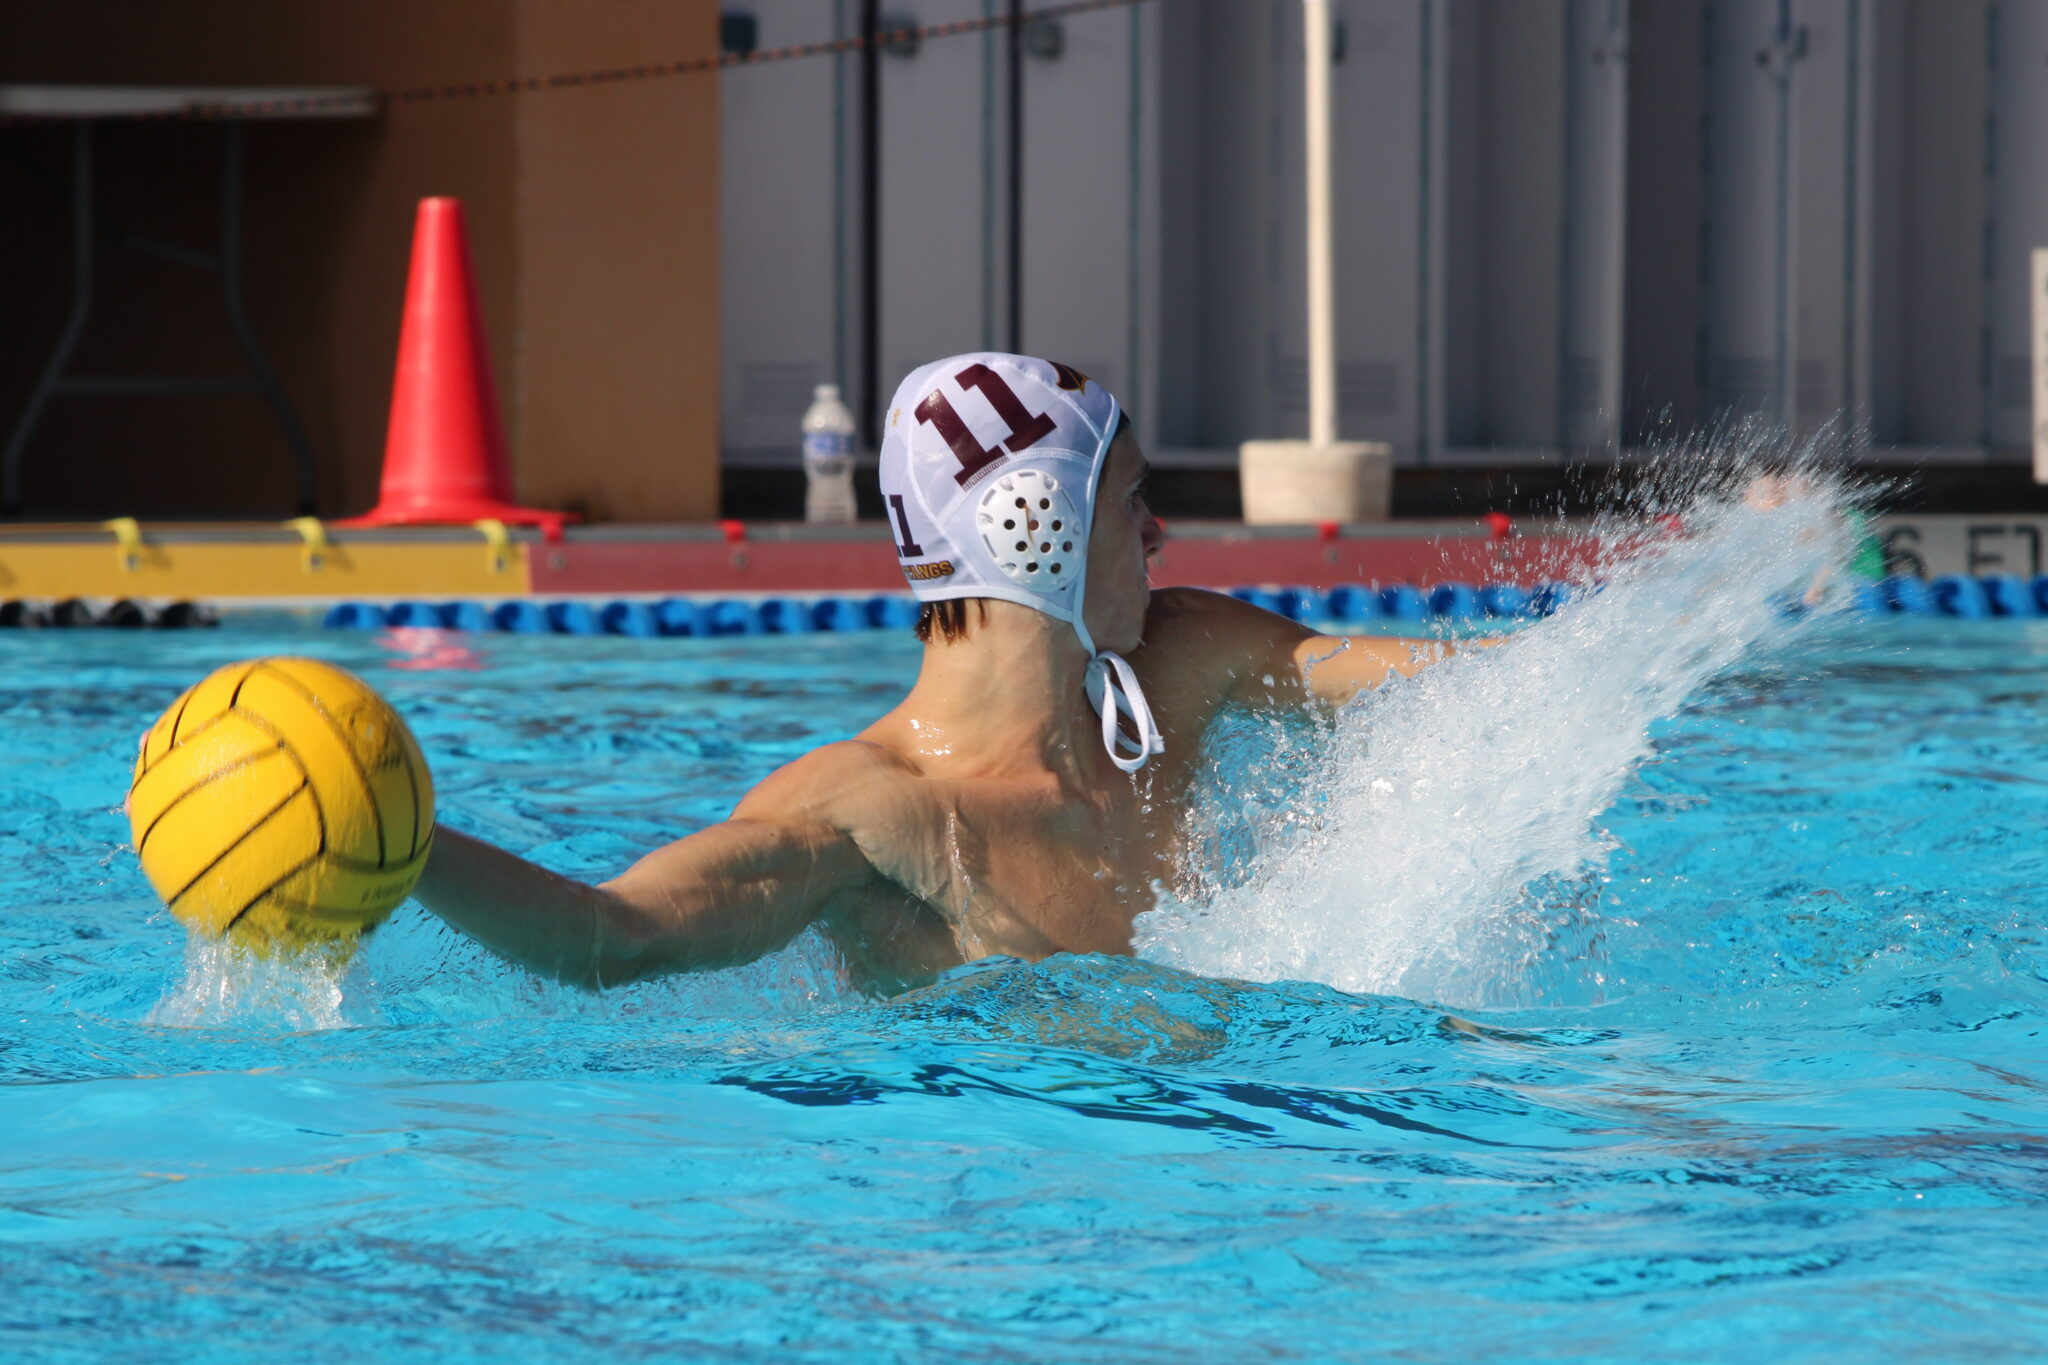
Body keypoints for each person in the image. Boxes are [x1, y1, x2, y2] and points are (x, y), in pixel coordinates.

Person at [416, 354, 1477, 994]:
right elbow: (613, 939)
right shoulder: (869, 818)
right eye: (1128, 502)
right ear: (1037, 532)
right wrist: (403, 841)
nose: (1158, 531)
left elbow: (1493, 694)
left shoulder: (1189, 657)